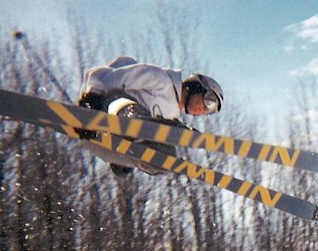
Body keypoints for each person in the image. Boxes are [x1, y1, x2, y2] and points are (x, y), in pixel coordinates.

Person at [78, 56, 223, 176]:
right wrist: (91, 99)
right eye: (209, 101)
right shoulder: (161, 80)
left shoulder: (170, 115)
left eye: (209, 111)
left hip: (99, 138)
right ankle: (134, 131)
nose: (203, 109)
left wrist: (124, 159)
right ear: (197, 87)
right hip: (104, 107)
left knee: (166, 155)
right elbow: (104, 77)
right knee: (156, 126)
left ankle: (133, 154)